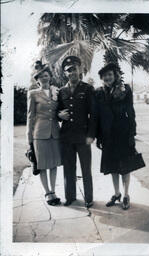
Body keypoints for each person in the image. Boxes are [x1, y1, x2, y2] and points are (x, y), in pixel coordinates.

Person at [95, 63, 145, 210]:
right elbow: (97, 117)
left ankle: (126, 195)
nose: (107, 77)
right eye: (104, 76)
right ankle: (116, 193)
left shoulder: (125, 89)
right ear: (102, 78)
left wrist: (132, 133)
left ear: (115, 75)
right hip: (107, 135)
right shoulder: (99, 92)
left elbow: (131, 112)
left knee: (125, 166)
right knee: (112, 166)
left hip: (123, 133)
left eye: (110, 74)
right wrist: (99, 137)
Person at [57, 56, 96, 208]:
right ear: (65, 73)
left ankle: (88, 198)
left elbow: (94, 114)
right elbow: (57, 111)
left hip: (82, 136)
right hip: (66, 137)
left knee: (86, 169)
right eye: (68, 70)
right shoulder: (61, 91)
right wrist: (58, 115)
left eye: (74, 69)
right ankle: (70, 197)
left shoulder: (87, 89)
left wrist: (91, 135)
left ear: (79, 70)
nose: (72, 72)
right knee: (68, 169)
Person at [26, 61, 62, 206]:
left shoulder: (56, 92)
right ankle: (47, 193)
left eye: (46, 75)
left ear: (50, 77)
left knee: (53, 164)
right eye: (41, 76)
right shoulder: (33, 93)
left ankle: (53, 191)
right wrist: (29, 139)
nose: (44, 78)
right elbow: (30, 116)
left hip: (55, 133)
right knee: (42, 165)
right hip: (39, 134)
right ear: (37, 79)